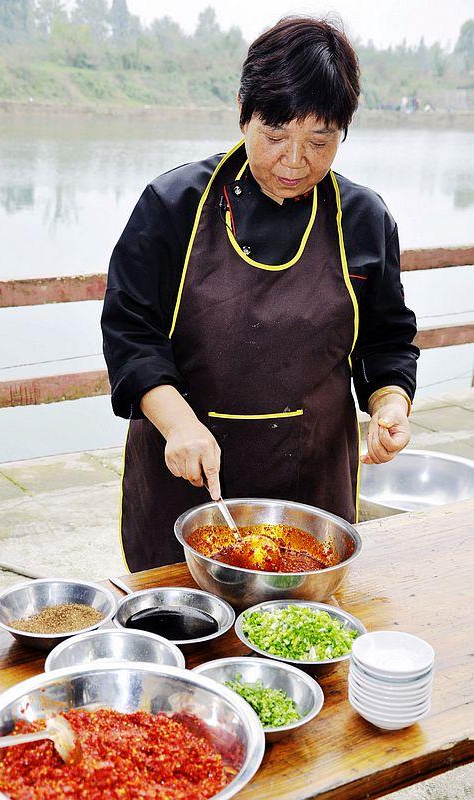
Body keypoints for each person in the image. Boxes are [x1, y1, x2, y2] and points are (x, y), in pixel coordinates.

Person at [101, 16, 419, 573]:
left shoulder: (363, 219)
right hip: (188, 487)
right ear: (243, 115)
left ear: (342, 133)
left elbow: (386, 340)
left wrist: (389, 403)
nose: (295, 161)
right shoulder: (173, 205)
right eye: (275, 137)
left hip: (310, 496)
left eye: (320, 141)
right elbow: (132, 335)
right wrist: (177, 424)